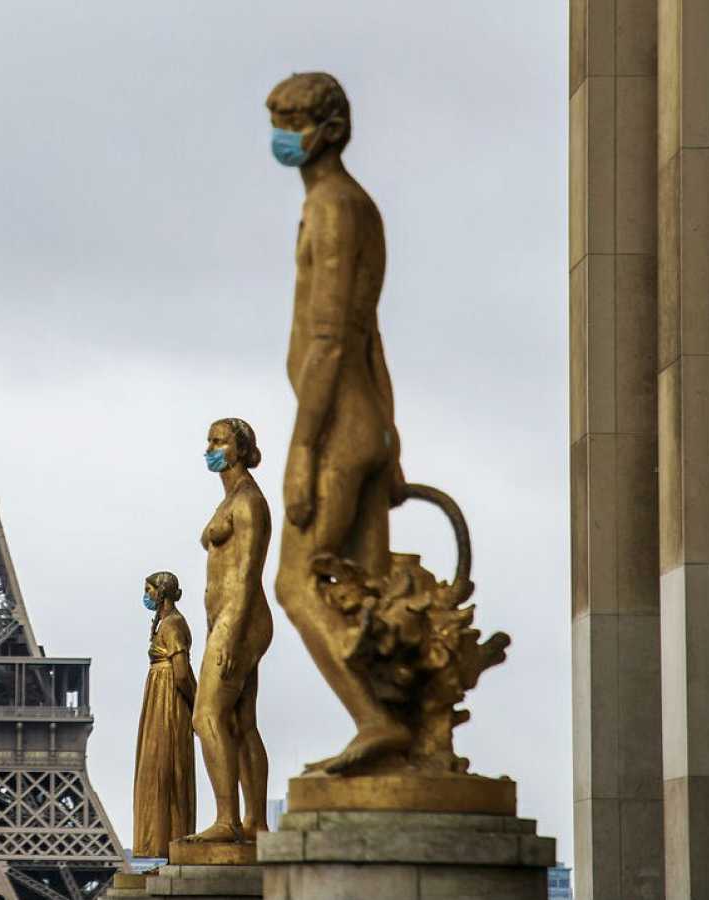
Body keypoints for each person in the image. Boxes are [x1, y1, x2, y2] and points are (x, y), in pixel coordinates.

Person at [268, 72, 413, 773]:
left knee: (295, 585)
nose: (279, 134)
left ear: (327, 129)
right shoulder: (357, 205)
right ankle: (399, 739)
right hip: (362, 422)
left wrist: (301, 449)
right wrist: (389, 437)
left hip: (333, 428)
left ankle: (375, 721)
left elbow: (330, 338)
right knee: (366, 594)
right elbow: (371, 334)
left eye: (290, 119)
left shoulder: (331, 208)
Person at [191, 418, 273, 842]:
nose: (210, 446)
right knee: (241, 722)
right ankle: (254, 823)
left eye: (219, 440)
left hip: (239, 619)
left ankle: (227, 820)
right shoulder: (232, 499)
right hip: (227, 618)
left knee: (206, 715)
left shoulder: (248, 503)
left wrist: (233, 632)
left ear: (240, 449)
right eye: (209, 439)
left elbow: (247, 573)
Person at [132, 571, 196, 858]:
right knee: (160, 768)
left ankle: (167, 844)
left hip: (168, 698)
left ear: (161, 592)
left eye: (148, 589)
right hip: (161, 695)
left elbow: (181, 674)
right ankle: (160, 846)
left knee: (165, 767)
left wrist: (198, 704)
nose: (145, 595)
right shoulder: (164, 623)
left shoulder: (173, 624)